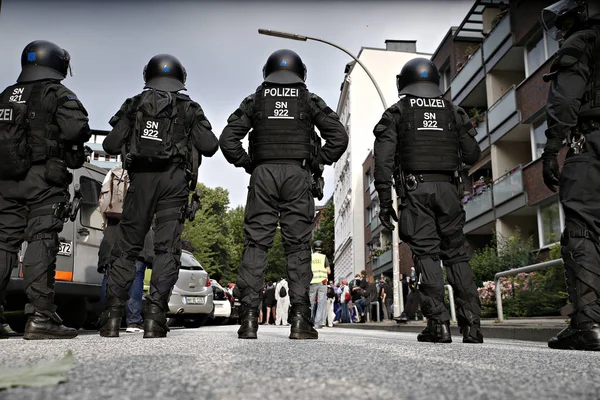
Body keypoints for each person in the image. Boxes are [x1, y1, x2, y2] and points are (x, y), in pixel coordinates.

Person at [219, 49, 348, 340]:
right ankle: (301, 321)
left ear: (268, 72)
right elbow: (339, 136)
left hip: (263, 175)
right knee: (299, 246)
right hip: (298, 175)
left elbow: (228, 139)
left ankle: (249, 320)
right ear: (300, 73)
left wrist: (249, 163)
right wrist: (318, 161)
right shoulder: (309, 100)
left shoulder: (256, 100)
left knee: (256, 244)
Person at [100, 54, 219, 338]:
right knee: (167, 250)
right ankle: (154, 320)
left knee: (126, 248)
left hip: (140, 181)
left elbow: (110, 143)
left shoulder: (133, 104)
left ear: (147, 76)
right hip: (174, 183)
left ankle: (112, 319)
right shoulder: (189, 108)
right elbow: (210, 145)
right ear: (181, 79)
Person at [373, 57, 482, 344]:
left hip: (416, 190)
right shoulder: (453, 111)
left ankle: (439, 325)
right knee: (457, 255)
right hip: (448, 190)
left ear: (405, 82)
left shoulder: (396, 113)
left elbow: (383, 163)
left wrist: (386, 202)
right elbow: (472, 154)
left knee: (427, 255)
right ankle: (472, 326)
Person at [0, 40, 91, 340]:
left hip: (7, 178)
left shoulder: (7, 93)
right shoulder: (56, 92)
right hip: (43, 179)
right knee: (41, 239)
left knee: (3, 243)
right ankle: (40, 317)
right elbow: (75, 128)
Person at [541, 0, 600, 351]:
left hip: (590, 144)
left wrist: (552, 149)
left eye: (562, 25)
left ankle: (587, 323)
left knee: (582, 229)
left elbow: (566, 100)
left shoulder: (581, 42)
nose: (560, 32)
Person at [309, 240, 331, 329]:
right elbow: (329, 271)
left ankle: (308, 321)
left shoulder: (310, 257)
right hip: (322, 282)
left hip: (312, 282)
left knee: (310, 302)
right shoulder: (323, 257)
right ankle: (318, 323)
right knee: (321, 302)